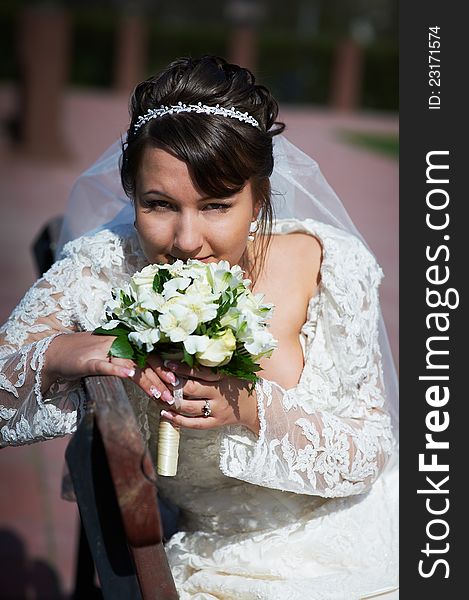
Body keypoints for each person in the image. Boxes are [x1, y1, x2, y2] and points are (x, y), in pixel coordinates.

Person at [0, 55, 398, 599]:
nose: (186, 240)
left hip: (370, 534)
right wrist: (69, 351)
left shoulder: (331, 265)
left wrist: (252, 409)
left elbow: (371, 450)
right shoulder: (105, 266)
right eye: (159, 204)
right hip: (230, 564)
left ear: (259, 199)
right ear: (130, 193)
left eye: (216, 205)